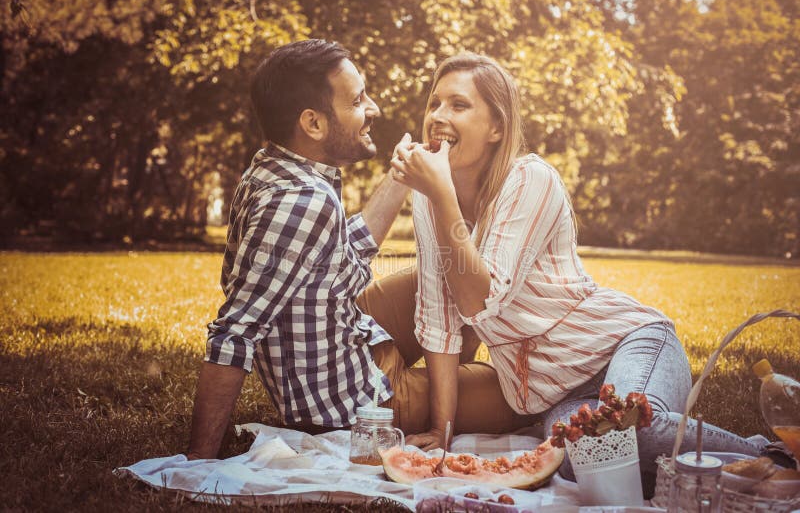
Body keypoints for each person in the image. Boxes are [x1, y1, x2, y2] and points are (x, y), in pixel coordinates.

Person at [389, 52, 767, 489]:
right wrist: (443, 431)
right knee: (577, 460)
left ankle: (770, 455)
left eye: (458, 105)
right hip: (556, 396)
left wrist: (441, 197)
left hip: (627, 344)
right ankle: (708, 473)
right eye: (434, 103)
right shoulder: (428, 199)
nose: (437, 116)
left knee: (627, 426)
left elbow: (480, 298)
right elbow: (439, 320)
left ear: (497, 127)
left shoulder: (530, 180)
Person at [187, 40, 529, 460]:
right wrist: (198, 462)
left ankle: (453, 362)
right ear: (313, 123)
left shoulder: (276, 168)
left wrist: (405, 172)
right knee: (520, 388)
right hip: (357, 401)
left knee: (451, 270)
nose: (374, 108)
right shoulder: (299, 202)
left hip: (353, 337)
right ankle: (456, 379)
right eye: (357, 100)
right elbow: (234, 333)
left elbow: (345, 254)